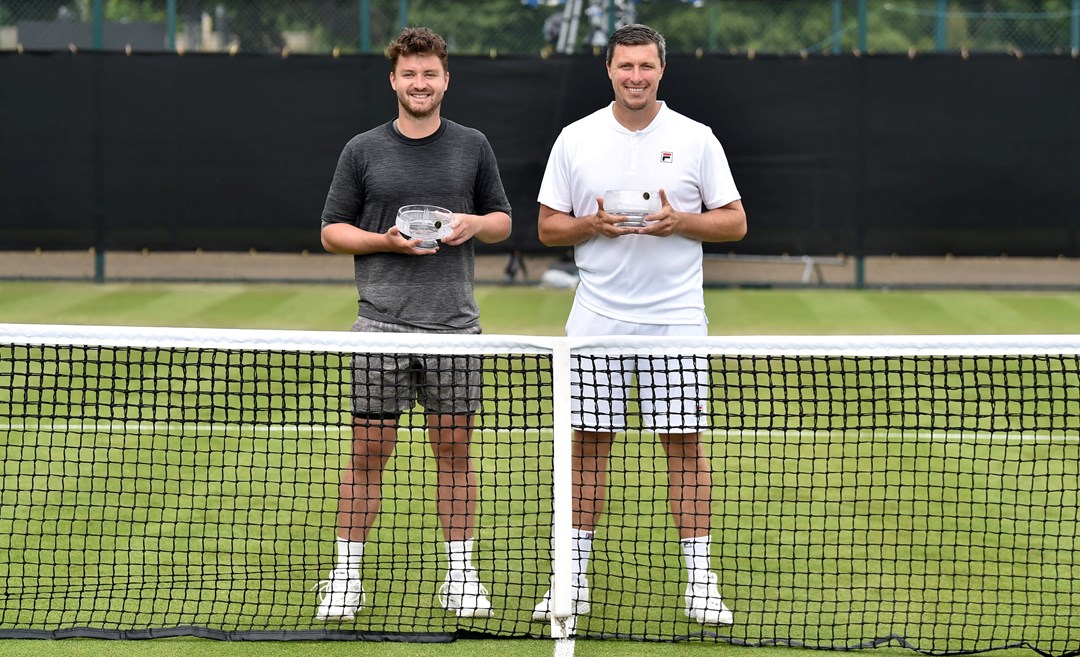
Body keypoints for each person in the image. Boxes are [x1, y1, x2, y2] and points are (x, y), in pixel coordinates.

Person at [531, 23, 746, 626]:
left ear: (661, 70)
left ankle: (701, 585)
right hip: (595, 320)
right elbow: (548, 228)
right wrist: (589, 227)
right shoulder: (575, 139)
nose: (635, 76)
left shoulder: (697, 139)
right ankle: (570, 581)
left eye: (646, 66)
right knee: (589, 447)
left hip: (677, 320)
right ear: (609, 70)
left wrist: (683, 223)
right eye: (625, 66)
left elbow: (734, 223)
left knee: (684, 447)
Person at [314, 26, 513, 621]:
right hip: (379, 326)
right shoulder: (362, 149)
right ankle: (346, 576)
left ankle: (460, 575)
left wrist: (473, 225)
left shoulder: (473, 145)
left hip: (455, 327)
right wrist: (384, 242)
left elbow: (503, 221)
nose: (419, 83)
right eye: (409, 74)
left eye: (429, 74)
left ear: (445, 79)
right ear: (393, 80)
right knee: (368, 452)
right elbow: (330, 231)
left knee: (454, 450)